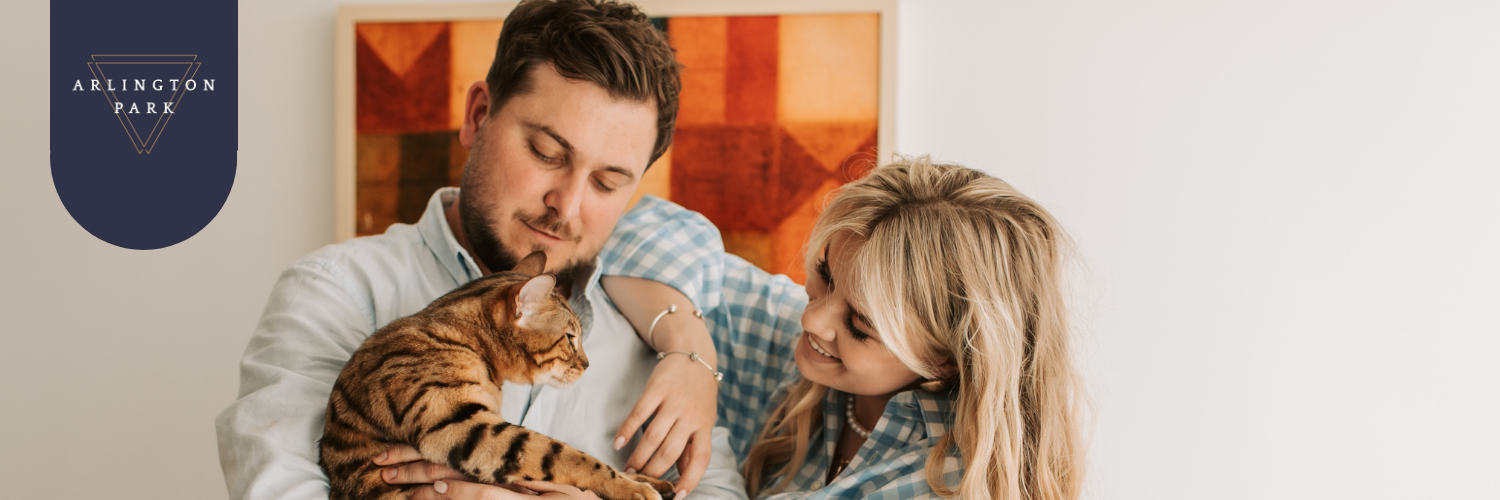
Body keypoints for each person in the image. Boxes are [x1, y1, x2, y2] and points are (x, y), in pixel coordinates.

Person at [214, 1, 740, 499]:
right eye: (546, 152)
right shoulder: (333, 294)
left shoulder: (662, 341)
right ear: (478, 114)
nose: (567, 205)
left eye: (606, 182)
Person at [604, 157, 1089, 499]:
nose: (811, 317)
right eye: (824, 274)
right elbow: (643, 229)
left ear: (943, 357)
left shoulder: (954, 481)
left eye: (859, 325)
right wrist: (689, 350)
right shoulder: (808, 351)